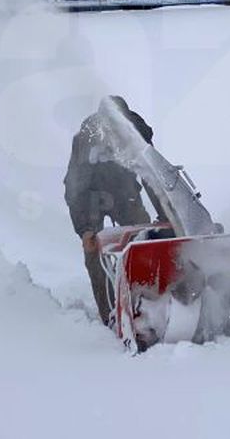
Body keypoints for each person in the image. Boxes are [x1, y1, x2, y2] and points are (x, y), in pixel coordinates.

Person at [63, 96, 162, 326]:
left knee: (145, 239)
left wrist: (167, 216)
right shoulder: (87, 139)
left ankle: (146, 300)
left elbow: (154, 178)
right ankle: (110, 316)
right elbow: (75, 186)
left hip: (124, 193)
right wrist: (85, 229)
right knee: (95, 252)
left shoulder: (137, 132)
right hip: (90, 197)